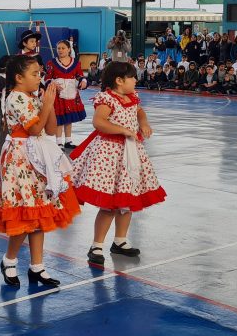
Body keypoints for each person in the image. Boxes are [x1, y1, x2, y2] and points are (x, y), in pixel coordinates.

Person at [0, 56, 81, 288]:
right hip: (21, 161)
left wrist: (49, 104)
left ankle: (37, 266)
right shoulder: (15, 98)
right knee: (25, 215)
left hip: (37, 160)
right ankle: (9, 260)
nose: (39, 78)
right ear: (18, 78)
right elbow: (34, 129)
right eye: (35, 74)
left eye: (40, 73)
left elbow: (51, 129)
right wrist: (45, 105)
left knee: (39, 214)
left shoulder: (33, 97)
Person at [70, 61, 166, 265]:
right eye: (132, 77)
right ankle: (97, 245)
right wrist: (122, 130)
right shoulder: (106, 98)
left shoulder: (132, 97)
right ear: (119, 81)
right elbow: (99, 122)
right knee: (109, 204)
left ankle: (120, 240)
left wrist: (144, 123)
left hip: (130, 152)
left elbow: (139, 111)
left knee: (127, 199)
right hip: (110, 154)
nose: (135, 80)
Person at [43, 40, 89, 149]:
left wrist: (83, 81)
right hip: (58, 95)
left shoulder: (76, 63)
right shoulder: (52, 63)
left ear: (69, 49)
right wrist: (53, 85)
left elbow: (79, 75)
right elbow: (47, 78)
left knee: (69, 118)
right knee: (59, 118)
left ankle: (68, 140)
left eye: (63, 48)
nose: (60, 50)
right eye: (58, 48)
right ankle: (58, 141)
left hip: (71, 94)